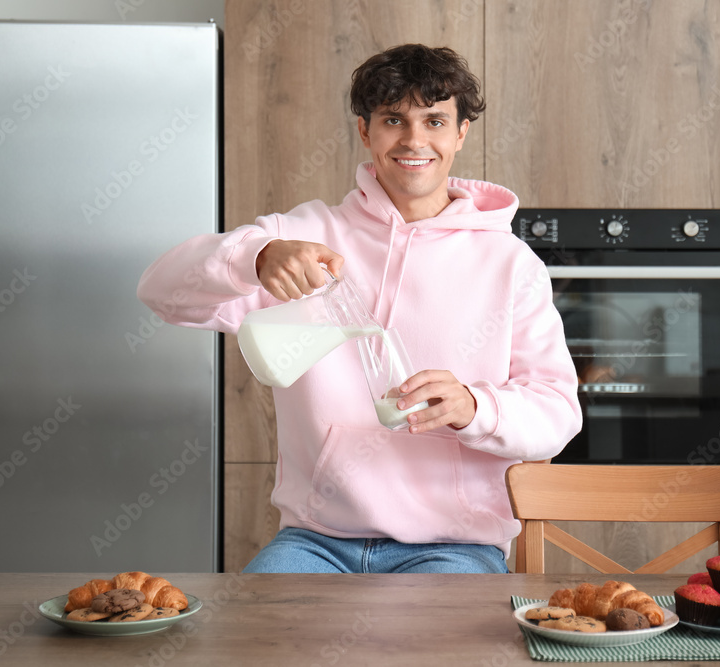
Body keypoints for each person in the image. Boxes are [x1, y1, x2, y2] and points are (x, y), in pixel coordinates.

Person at [137, 44, 581, 574]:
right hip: (315, 541)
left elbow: (558, 411)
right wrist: (253, 258)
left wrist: (474, 407)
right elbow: (160, 290)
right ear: (365, 131)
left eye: (434, 120)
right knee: (256, 647)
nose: (414, 140)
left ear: (460, 133)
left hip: (453, 545)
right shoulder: (301, 238)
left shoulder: (510, 264)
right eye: (394, 119)